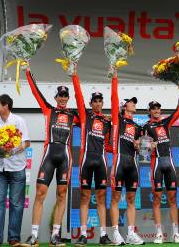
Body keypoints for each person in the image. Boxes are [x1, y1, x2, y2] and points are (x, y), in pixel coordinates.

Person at [25, 66, 80, 247]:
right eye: (60, 96)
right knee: (40, 194)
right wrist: (27, 72)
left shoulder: (75, 115)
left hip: (65, 156)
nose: (63, 98)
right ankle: (33, 236)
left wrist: (74, 74)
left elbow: (88, 113)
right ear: (55, 98)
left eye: (66, 96)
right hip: (49, 155)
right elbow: (36, 92)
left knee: (62, 195)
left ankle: (55, 235)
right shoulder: (49, 110)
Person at [141, 86, 179, 244]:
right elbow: (142, 151)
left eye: (158, 108)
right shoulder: (146, 126)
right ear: (150, 111)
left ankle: (176, 233)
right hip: (157, 163)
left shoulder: (166, 122)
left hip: (170, 162)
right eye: (154, 108)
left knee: (173, 198)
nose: (157, 110)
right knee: (157, 198)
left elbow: (178, 111)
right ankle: (159, 233)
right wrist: (148, 147)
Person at [72, 73, 112, 246]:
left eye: (100, 101)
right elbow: (77, 95)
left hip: (101, 162)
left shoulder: (107, 121)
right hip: (86, 161)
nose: (97, 103)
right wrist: (74, 75)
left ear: (103, 103)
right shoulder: (85, 116)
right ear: (90, 103)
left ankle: (103, 235)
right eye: (94, 100)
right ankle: (82, 234)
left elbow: (110, 145)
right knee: (84, 198)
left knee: (102, 198)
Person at [0, 94, 30, 247]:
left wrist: (11, 151)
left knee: (17, 204)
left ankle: (14, 239)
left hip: (17, 167)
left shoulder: (19, 121)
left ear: (6, 106)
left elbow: (26, 143)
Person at [109, 71, 144, 246]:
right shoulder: (118, 120)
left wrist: (142, 145)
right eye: (131, 102)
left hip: (133, 163)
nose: (134, 104)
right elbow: (114, 98)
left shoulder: (138, 126)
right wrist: (115, 76)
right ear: (124, 107)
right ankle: (115, 233)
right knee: (115, 198)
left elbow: (141, 147)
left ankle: (131, 233)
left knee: (131, 199)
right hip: (119, 161)